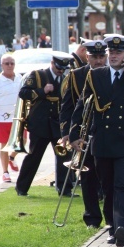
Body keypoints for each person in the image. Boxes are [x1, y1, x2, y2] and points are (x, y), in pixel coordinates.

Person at [69, 35, 124, 247]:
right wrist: (74, 134)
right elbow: (82, 104)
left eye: (119, 52)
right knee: (108, 187)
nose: (114, 55)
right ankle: (111, 224)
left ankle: (122, 227)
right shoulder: (95, 75)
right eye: (112, 52)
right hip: (103, 141)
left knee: (122, 185)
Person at [59, 40, 108, 228]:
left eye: (101, 56)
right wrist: (66, 133)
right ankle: (92, 219)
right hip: (84, 134)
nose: (98, 61)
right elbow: (67, 106)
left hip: (107, 132)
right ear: (86, 56)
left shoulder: (113, 73)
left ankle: (112, 217)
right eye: (94, 57)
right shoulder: (75, 76)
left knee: (108, 177)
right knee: (87, 177)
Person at [15, 55, 73, 196]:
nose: (61, 71)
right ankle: (21, 188)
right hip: (40, 124)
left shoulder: (67, 78)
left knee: (64, 155)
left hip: (58, 124)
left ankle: (64, 189)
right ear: (52, 63)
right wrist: (42, 91)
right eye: (59, 68)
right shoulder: (37, 75)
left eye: (63, 69)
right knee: (34, 156)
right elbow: (23, 93)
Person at [0, 55, 23, 182]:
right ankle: (5, 172)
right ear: (2, 65)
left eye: (11, 63)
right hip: (3, 119)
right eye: (6, 63)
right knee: (4, 145)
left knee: (22, 141)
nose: (9, 66)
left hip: (19, 117)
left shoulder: (20, 78)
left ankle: (11, 158)